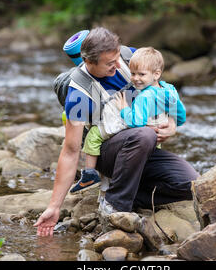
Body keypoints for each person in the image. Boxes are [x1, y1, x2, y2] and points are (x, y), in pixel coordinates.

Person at [34, 27, 199, 237]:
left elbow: (162, 92)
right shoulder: (79, 94)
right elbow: (70, 151)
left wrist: (172, 124)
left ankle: (126, 193)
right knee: (144, 134)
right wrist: (54, 207)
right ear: (89, 62)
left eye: (117, 58)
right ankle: (115, 205)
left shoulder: (128, 56)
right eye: (110, 64)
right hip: (108, 152)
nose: (119, 65)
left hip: (141, 149)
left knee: (191, 185)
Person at [78, 46, 187, 188]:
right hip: (156, 137)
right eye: (133, 73)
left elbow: (136, 122)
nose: (135, 79)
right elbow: (181, 114)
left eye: (141, 74)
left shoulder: (145, 96)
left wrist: (124, 109)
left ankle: (89, 174)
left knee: (94, 134)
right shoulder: (169, 89)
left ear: (157, 74)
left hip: (143, 133)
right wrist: (173, 123)